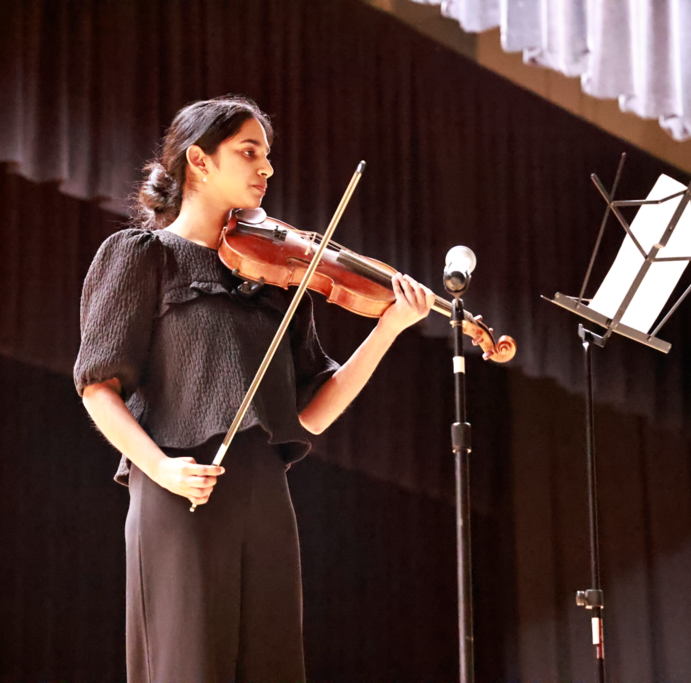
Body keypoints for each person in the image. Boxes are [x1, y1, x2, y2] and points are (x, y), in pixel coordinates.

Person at [73, 95, 434, 683]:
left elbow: (311, 414)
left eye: (267, 156)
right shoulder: (143, 256)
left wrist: (388, 328)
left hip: (264, 492)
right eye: (248, 152)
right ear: (199, 160)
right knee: (189, 665)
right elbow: (97, 386)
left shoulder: (277, 279)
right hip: (179, 486)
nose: (266, 168)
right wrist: (161, 468)